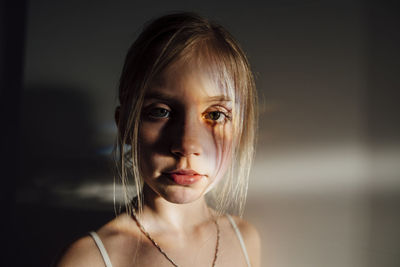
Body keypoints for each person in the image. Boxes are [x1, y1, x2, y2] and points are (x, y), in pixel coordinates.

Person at [56, 12, 260, 267]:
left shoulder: (245, 237)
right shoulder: (90, 260)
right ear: (126, 125)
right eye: (161, 112)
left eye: (215, 114)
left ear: (238, 129)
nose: (186, 145)